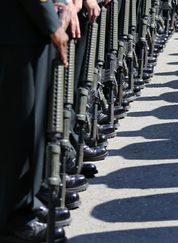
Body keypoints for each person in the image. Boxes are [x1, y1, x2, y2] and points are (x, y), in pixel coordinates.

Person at [0, 0, 71, 242]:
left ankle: (25, 203)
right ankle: (14, 217)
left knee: (30, 126)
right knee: (18, 130)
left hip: (28, 29)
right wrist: (51, 23)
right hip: (18, 32)